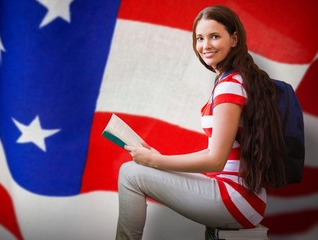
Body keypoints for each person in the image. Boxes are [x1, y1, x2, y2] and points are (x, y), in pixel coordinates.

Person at [116, 5, 287, 240]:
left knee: (130, 173)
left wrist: (157, 161)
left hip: (236, 198)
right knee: (136, 169)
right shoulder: (232, 79)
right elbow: (215, 151)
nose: (205, 45)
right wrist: (157, 160)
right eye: (200, 38)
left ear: (234, 39)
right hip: (241, 195)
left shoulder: (230, 85)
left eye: (214, 36)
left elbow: (215, 160)